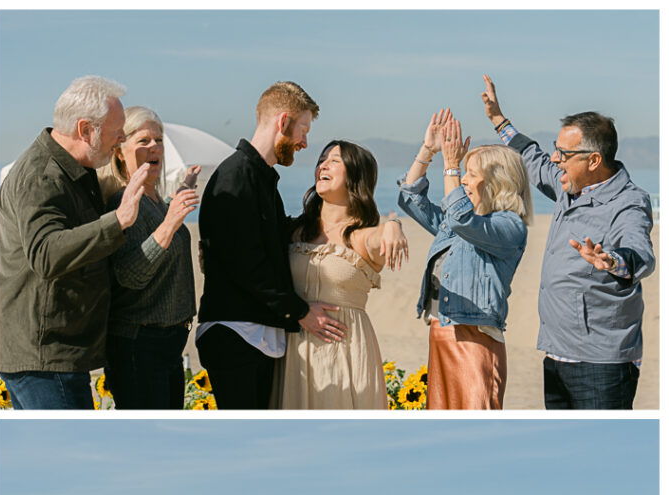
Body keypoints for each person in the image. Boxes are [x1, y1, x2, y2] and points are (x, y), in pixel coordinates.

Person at [481, 76, 656, 410]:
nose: (556, 158)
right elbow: (531, 159)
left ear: (593, 160)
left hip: (601, 363)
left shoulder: (629, 201)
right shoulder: (568, 185)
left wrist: (612, 260)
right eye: (556, 148)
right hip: (557, 353)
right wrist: (498, 120)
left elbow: (640, 253)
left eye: (563, 152)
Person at [0, 76, 149, 410]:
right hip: (45, 359)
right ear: (85, 130)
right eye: (116, 130)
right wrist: (118, 220)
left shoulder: (73, 171)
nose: (122, 138)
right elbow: (46, 253)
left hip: (52, 356)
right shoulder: (43, 176)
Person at [196, 80, 348, 410]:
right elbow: (247, 266)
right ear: (283, 122)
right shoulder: (234, 178)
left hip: (255, 335)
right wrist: (301, 312)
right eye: (303, 129)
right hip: (234, 333)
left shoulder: (261, 178)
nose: (305, 142)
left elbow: (281, 234)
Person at [398, 109, 531, 409]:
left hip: (474, 341)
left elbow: (460, 218)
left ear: (498, 181)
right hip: (441, 334)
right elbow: (410, 198)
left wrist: (451, 166)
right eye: (464, 173)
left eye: (471, 174)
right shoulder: (456, 224)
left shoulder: (509, 227)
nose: (464, 180)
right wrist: (428, 151)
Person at [274, 140, 408, 409]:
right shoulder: (294, 231)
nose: (323, 165)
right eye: (322, 159)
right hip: (293, 352)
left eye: (334, 160)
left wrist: (393, 223)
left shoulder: (362, 237)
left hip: (344, 351)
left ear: (355, 176)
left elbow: (381, 235)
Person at [98, 107, 200, 409]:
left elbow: (154, 224)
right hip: (140, 347)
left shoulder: (153, 200)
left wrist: (180, 195)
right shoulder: (122, 203)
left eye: (158, 139)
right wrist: (171, 223)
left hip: (168, 346)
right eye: (143, 141)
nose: (154, 147)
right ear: (119, 152)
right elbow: (130, 274)